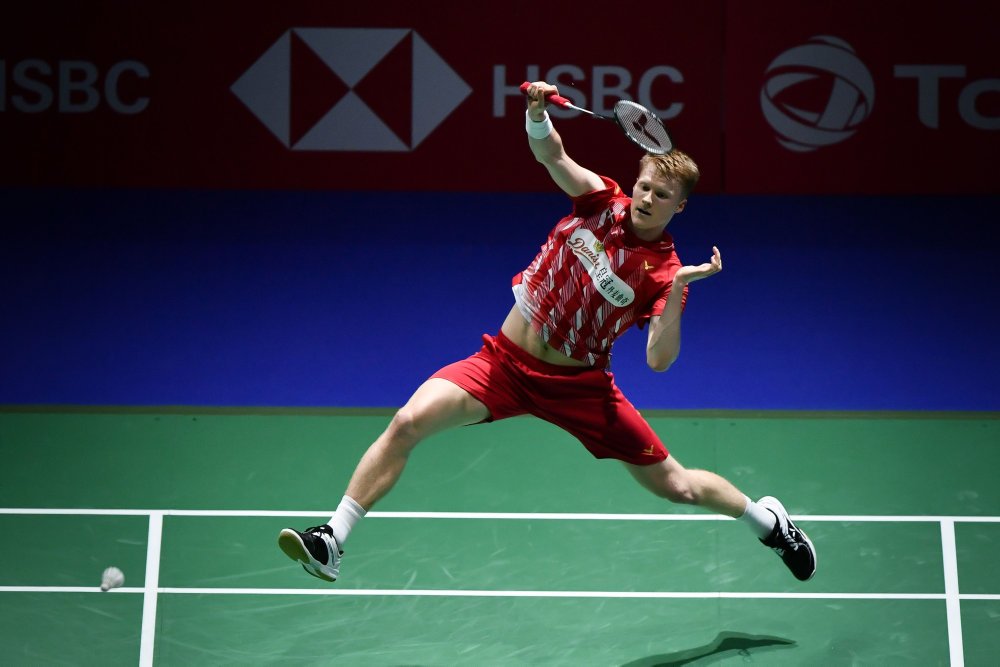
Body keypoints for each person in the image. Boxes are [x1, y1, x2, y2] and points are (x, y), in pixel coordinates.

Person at [278, 81, 817, 583]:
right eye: (645, 185)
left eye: (662, 195)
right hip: (503, 365)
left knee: (676, 485)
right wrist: (536, 112)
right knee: (408, 420)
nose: (648, 198)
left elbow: (658, 360)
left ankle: (766, 520)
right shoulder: (600, 202)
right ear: (635, 181)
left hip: (579, 387)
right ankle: (332, 540)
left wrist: (678, 289)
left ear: (681, 206)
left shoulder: (662, 272)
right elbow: (553, 155)